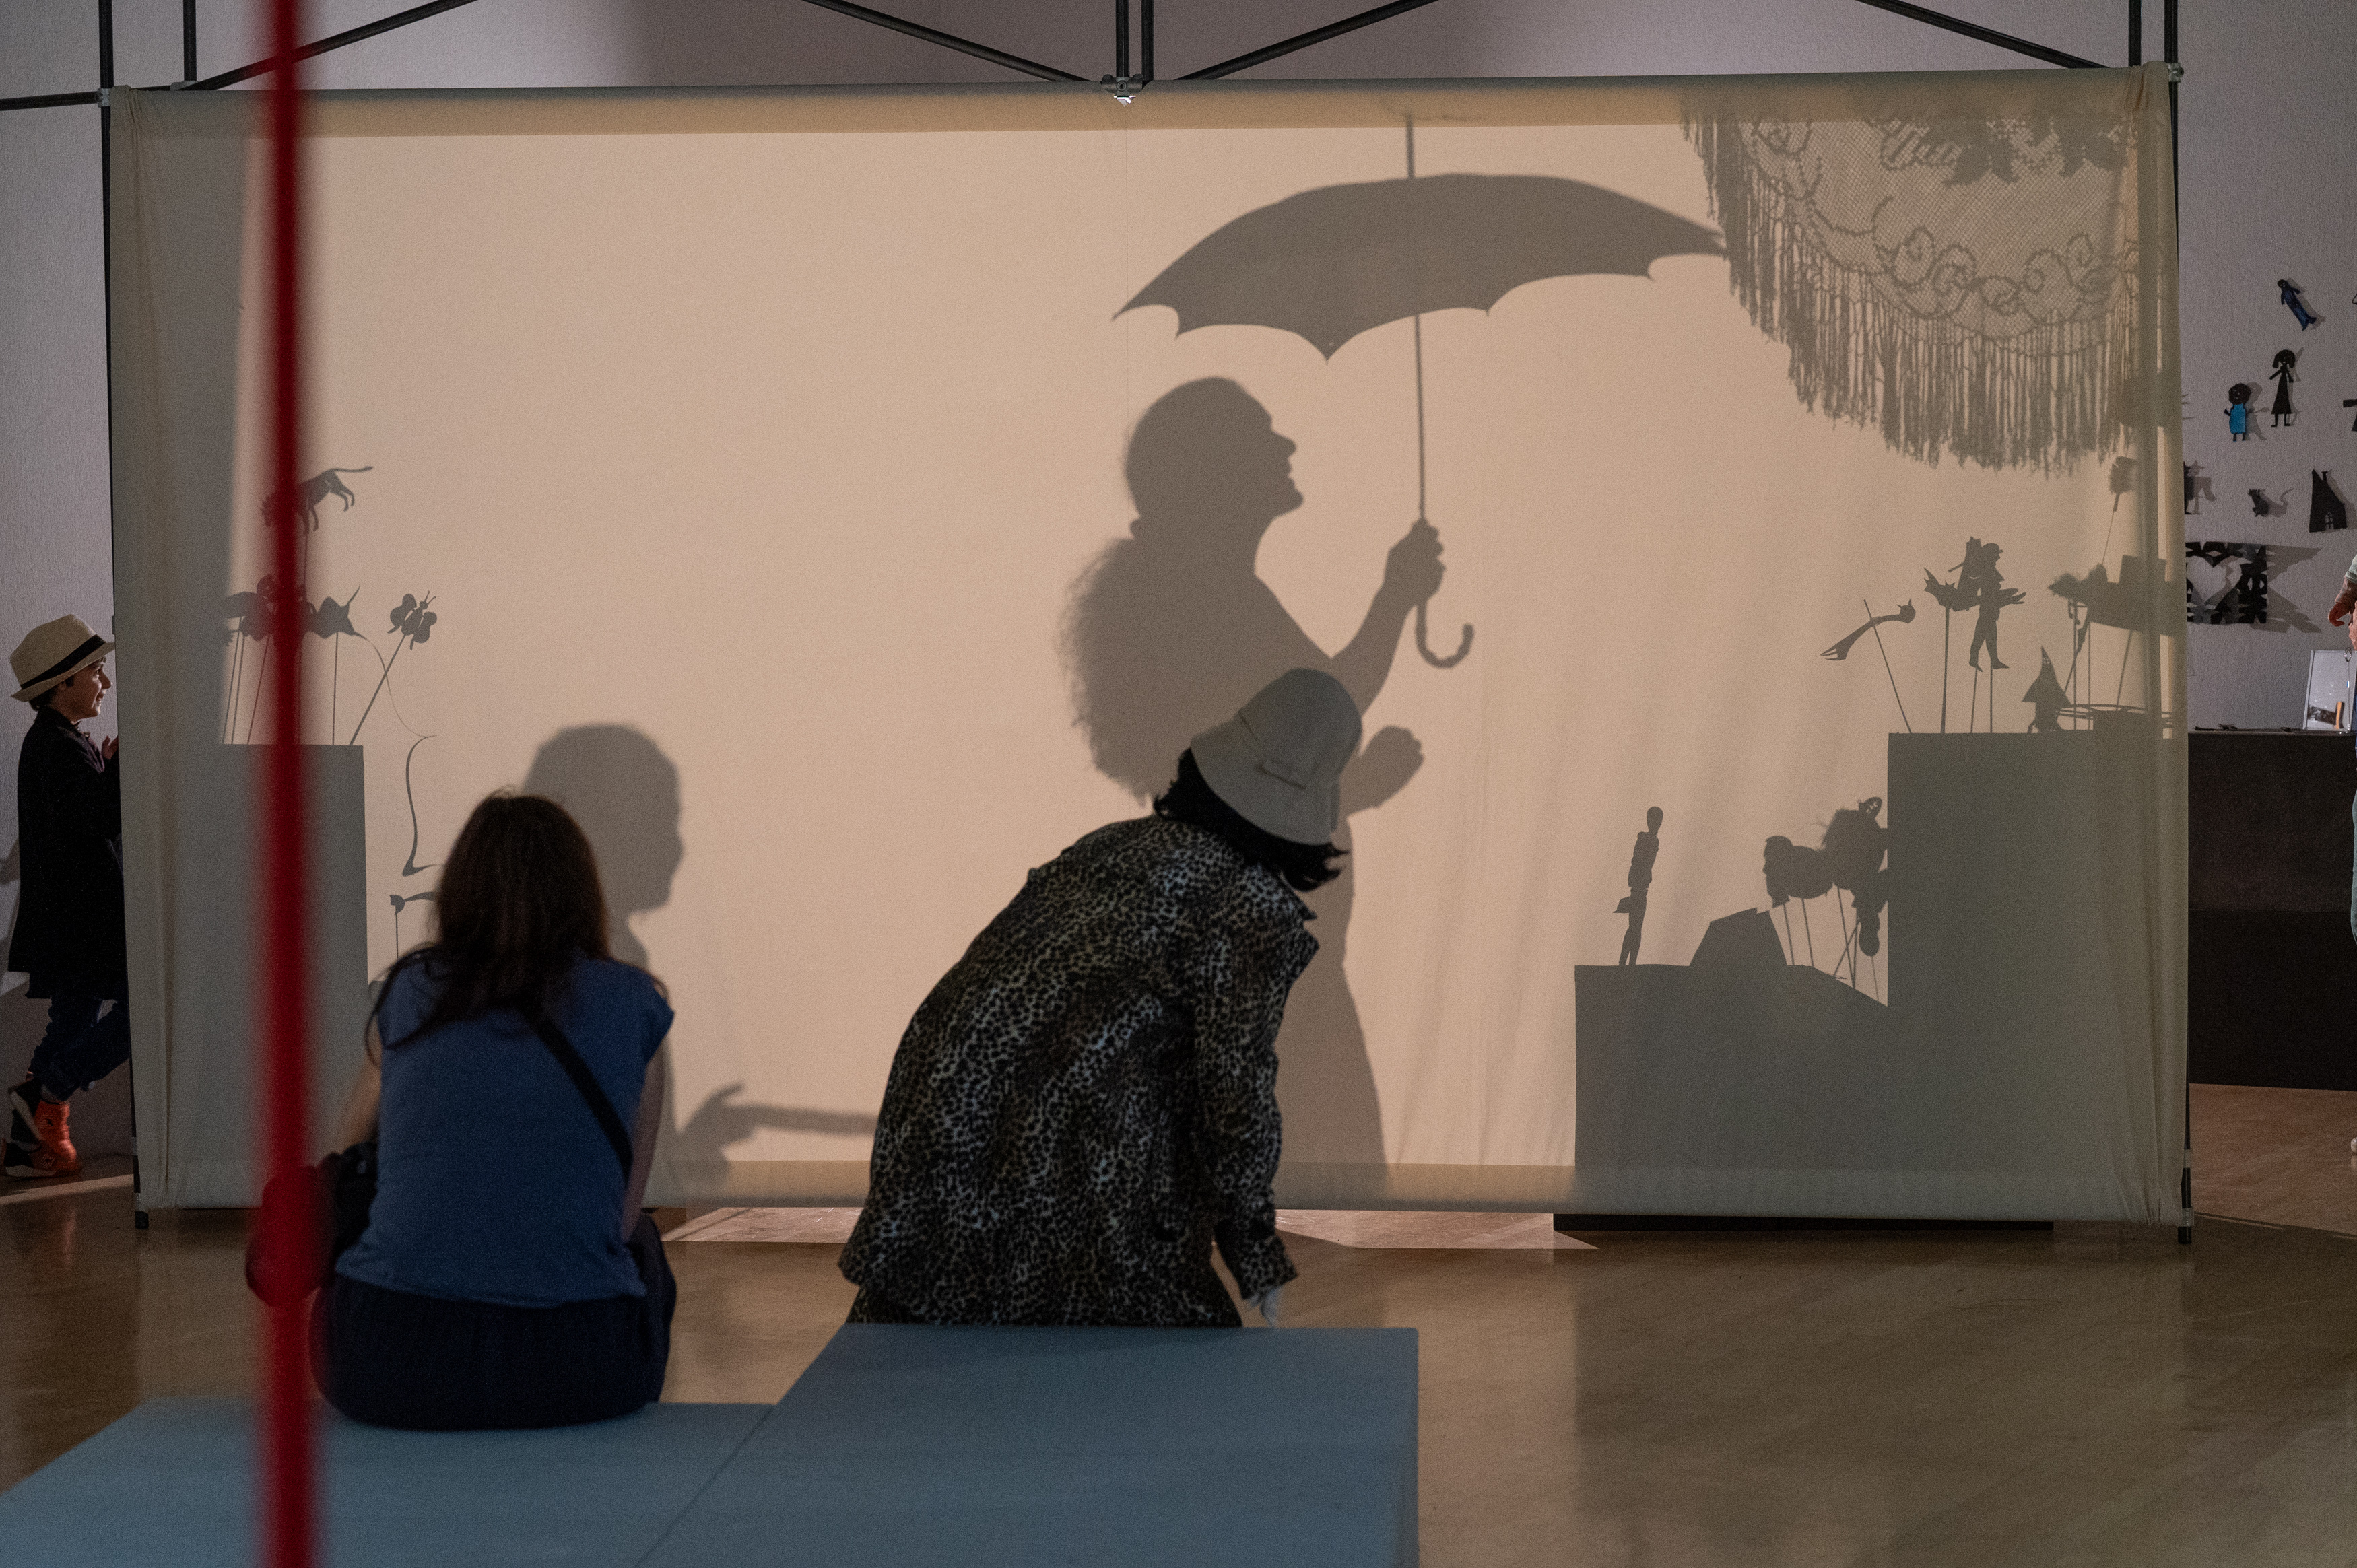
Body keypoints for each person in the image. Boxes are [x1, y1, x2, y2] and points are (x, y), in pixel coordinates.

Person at [840, 667, 1360, 1328]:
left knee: (934, 1333)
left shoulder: (1107, 846)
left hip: (936, 1116)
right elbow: (1235, 1098)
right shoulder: (1247, 906)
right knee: (1169, 1353)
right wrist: (1253, 1250)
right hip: (1069, 1161)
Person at [312, 792, 676, 1430]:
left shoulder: (411, 993)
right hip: (579, 1364)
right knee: (643, 1242)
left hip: (387, 1359)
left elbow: (348, 1162)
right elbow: (618, 1220)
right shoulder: (634, 1003)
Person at [6, 615, 126, 1180]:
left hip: (71, 923)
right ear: (63, 683)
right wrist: (117, 769)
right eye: (96, 670)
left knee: (71, 1023)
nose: (106, 682)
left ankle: (24, 1146)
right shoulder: (57, 748)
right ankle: (47, 1094)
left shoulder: (58, 743)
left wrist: (104, 768)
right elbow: (99, 817)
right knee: (138, 1016)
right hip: (82, 923)